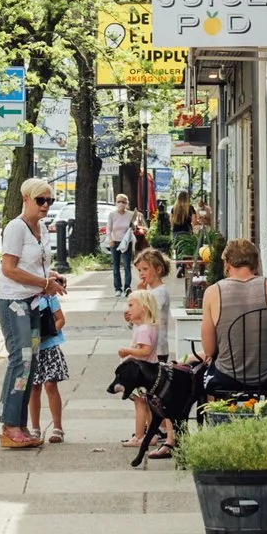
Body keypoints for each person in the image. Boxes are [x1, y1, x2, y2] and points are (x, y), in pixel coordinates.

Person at [0, 177, 65, 450]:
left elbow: (37, 265)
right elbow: (9, 269)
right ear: (26, 199)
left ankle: (19, 423)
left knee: (32, 363)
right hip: (14, 303)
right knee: (21, 360)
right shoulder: (16, 228)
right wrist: (43, 283)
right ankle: (10, 425)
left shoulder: (42, 229)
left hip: (34, 302)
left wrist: (52, 277)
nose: (46, 205)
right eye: (40, 200)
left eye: (50, 200)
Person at [200, 238, 267, 394]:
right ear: (256, 264)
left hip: (226, 379)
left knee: (201, 378)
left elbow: (209, 350)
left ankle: (214, 415)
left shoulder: (213, 292)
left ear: (227, 264)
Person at [114, 291, 162, 452]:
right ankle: (151, 434)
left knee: (139, 403)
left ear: (143, 307)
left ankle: (140, 436)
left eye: (131, 305)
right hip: (148, 371)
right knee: (146, 404)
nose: (128, 309)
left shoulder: (144, 330)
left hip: (142, 373)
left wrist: (127, 352)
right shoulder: (146, 326)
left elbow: (145, 351)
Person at [27, 288, 69, 443]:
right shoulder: (23, 298)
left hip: (49, 346)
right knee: (34, 387)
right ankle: (35, 428)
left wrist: (48, 333)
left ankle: (57, 427)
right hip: (32, 349)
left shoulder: (48, 297)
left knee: (51, 385)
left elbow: (61, 319)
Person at [104, 187, 136, 295]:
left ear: (127, 203)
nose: (121, 204)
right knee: (116, 267)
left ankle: (127, 287)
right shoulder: (112, 215)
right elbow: (108, 228)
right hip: (115, 242)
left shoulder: (130, 214)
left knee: (127, 266)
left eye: (123, 202)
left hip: (126, 243)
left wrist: (134, 225)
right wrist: (110, 240)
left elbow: (133, 228)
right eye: (119, 201)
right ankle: (118, 288)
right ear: (115, 203)